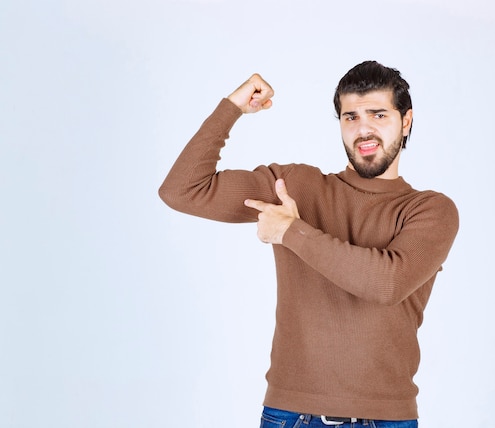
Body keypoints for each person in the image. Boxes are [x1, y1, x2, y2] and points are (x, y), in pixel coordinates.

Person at [159, 61, 459, 427]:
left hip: (386, 419)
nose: (364, 129)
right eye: (350, 117)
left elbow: (386, 283)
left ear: (406, 120)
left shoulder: (430, 209)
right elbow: (182, 191)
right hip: (290, 415)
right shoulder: (296, 187)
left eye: (378, 115)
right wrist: (232, 108)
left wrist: (291, 231)